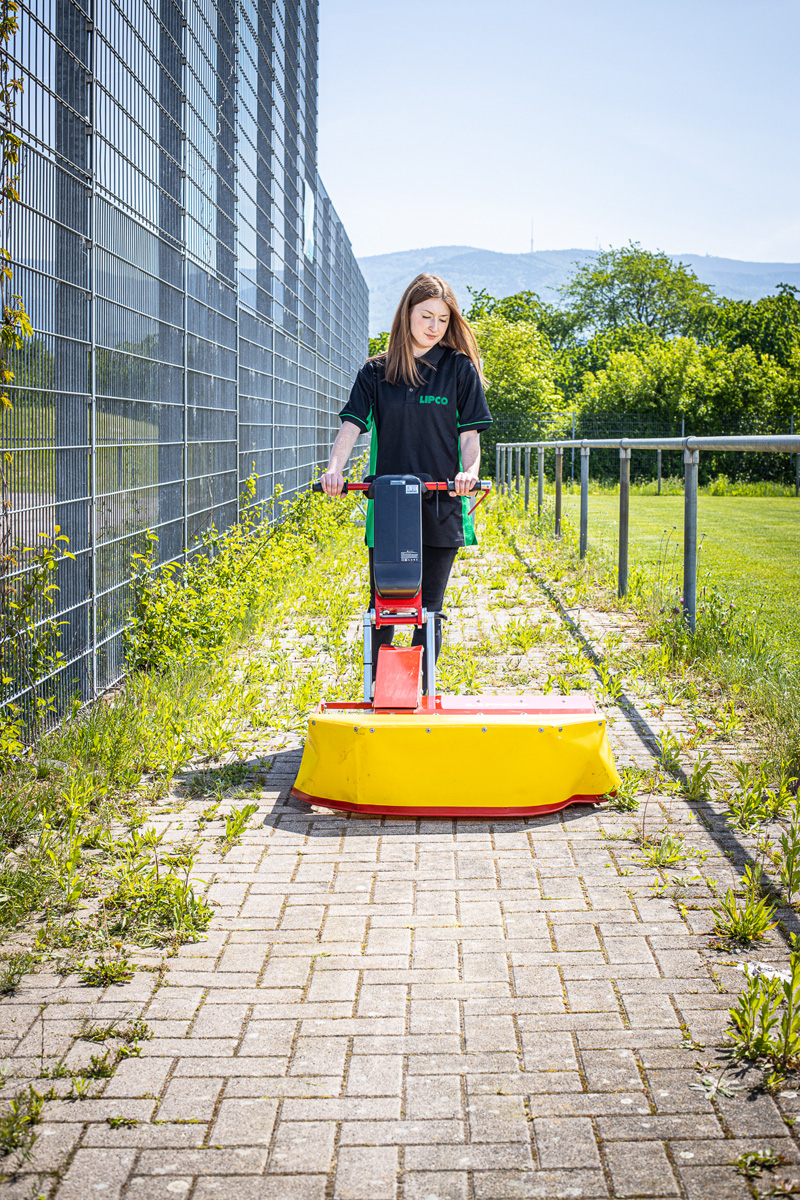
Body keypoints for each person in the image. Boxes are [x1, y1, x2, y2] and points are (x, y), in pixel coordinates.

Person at [320, 272, 492, 684]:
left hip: (442, 501)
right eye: (426, 316)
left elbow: (470, 438)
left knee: (429, 607)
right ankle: (381, 693)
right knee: (385, 604)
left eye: (443, 320)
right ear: (407, 314)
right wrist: (334, 469)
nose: (434, 327)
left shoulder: (458, 369)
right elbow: (351, 426)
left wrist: (469, 473)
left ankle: (420, 693)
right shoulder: (376, 373)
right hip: (392, 506)